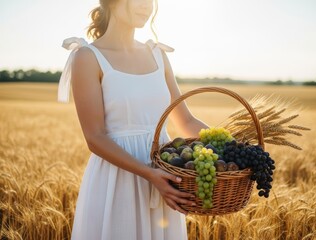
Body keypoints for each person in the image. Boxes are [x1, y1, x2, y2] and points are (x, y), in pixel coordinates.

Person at [58, 0, 208, 239]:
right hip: (117, 182)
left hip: (164, 178)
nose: (146, 6)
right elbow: (94, 137)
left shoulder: (157, 54)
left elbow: (186, 121)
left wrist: (233, 145)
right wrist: (149, 174)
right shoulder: (88, 57)